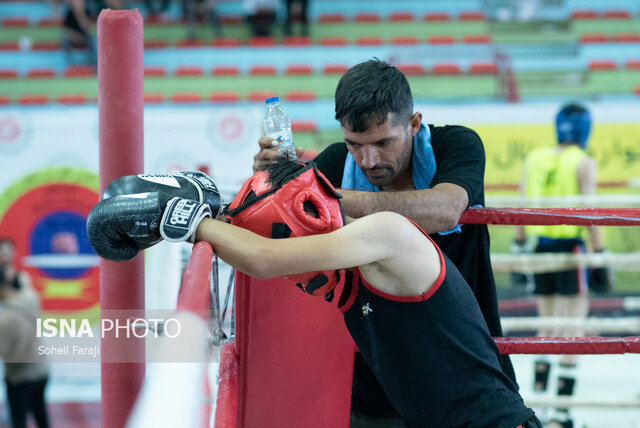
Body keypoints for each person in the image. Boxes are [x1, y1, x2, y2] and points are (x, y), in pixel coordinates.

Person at [86, 159, 542, 427]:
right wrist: (214, 218)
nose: (294, 274)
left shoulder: (388, 234)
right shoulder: (349, 278)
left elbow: (264, 257)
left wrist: (191, 221)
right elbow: (260, 257)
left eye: (292, 247)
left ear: (312, 218)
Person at [253, 58, 516, 423]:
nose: (369, 159)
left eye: (383, 142)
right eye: (354, 145)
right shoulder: (333, 162)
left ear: (413, 123)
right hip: (376, 386)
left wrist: (322, 194)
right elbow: (275, 232)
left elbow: (445, 209)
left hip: (467, 373)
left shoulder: (455, 143)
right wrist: (273, 186)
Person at [514, 103, 609, 428]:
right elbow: (591, 212)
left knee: (546, 327)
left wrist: (517, 245)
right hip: (571, 250)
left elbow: (521, 204)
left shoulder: (535, 158)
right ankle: (562, 415)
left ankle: (535, 412)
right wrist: (601, 256)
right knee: (573, 330)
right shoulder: (583, 162)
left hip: (540, 248)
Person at [0, 239, 51, 428]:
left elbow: (5, 351)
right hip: (41, 367)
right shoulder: (31, 296)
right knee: (41, 415)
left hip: (20, 376)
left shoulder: (7, 316)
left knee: (19, 420)